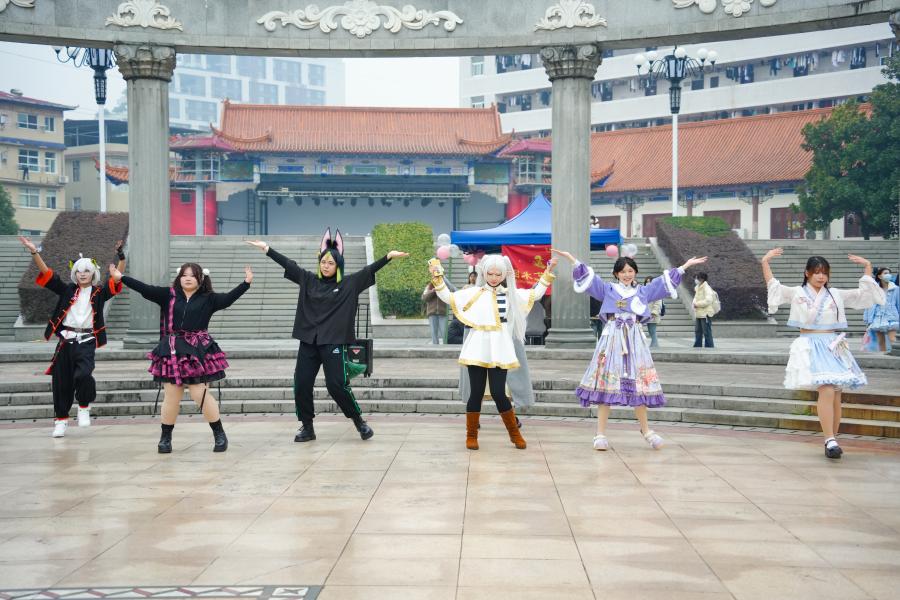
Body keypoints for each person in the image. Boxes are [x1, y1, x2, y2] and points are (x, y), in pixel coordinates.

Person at [247, 229, 408, 443]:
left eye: (331, 263)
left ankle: (358, 421)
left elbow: (369, 269)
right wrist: (267, 249)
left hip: (333, 342)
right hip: (309, 341)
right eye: (323, 262)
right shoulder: (309, 280)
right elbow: (289, 265)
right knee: (301, 383)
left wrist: (388, 257)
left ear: (338, 266)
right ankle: (307, 426)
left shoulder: (349, 284)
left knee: (336, 385)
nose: (326, 266)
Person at [552, 248, 707, 451]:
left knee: (638, 385)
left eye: (630, 271)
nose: (627, 274)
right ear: (616, 273)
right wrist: (572, 258)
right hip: (612, 338)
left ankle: (646, 431)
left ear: (635, 272)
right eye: (623, 271)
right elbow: (589, 278)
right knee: (606, 386)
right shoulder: (608, 289)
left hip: (634, 339)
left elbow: (663, 281)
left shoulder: (643, 291)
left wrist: (685, 266)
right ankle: (600, 434)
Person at [111, 262, 252, 453]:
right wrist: (122, 278)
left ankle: (219, 433)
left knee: (199, 393)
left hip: (197, 350)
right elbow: (145, 289)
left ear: (200, 279)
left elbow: (228, 299)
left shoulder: (208, 298)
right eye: (184, 275)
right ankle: (165, 438)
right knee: (172, 396)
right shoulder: (168, 295)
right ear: (179, 277)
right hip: (172, 349)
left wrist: (246, 283)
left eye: (192, 275)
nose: (188, 278)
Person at [762, 249, 884, 459]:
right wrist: (765, 261)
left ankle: (832, 439)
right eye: (817, 272)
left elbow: (863, 295)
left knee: (836, 393)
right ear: (807, 273)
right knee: (826, 389)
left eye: (825, 273)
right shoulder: (797, 292)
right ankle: (830, 439)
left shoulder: (835, 294)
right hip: (811, 344)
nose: (821, 277)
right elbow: (774, 286)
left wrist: (867, 268)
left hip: (833, 345)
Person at [429, 254, 557, 450]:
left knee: (499, 393)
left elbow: (536, 293)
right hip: (477, 348)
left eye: (498, 274)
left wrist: (548, 272)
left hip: (500, 348)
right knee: (476, 393)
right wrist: (437, 275)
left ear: (505, 274)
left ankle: (515, 434)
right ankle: (471, 436)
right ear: (484, 273)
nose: (494, 277)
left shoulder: (511, 295)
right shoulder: (474, 293)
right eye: (490, 274)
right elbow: (448, 296)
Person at [20, 237, 126, 438]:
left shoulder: (99, 292)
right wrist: (34, 252)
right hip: (66, 341)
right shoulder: (67, 290)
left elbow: (117, 277)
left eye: (86, 270)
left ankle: (84, 406)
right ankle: (61, 421)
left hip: (86, 341)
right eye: (79, 271)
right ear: (74, 273)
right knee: (61, 383)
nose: (82, 274)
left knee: (84, 375)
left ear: (93, 273)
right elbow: (47, 273)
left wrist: (121, 256)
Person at [863, 267, 899, 352]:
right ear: (879, 276)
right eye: (885, 273)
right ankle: (885, 358)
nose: (888, 275)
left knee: (892, 340)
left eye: (889, 273)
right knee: (881, 342)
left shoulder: (896, 289)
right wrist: (867, 319)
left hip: (892, 318)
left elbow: (898, 304)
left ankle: (894, 357)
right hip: (878, 318)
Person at [692, 272, 715, 348]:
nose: (696, 280)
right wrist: (694, 303)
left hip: (706, 313)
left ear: (702, 279)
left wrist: (697, 304)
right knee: (697, 331)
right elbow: (696, 298)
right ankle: (697, 346)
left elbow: (708, 300)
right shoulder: (698, 287)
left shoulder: (706, 288)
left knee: (706, 331)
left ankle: (709, 346)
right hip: (699, 313)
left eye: (697, 278)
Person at [643, 275, 662, 349]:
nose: (648, 283)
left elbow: (658, 304)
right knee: (650, 330)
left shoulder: (657, 292)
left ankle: (655, 344)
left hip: (652, 314)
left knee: (652, 330)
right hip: (646, 314)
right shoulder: (644, 291)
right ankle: (654, 343)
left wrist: (654, 312)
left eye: (650, 282)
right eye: (647, 282)